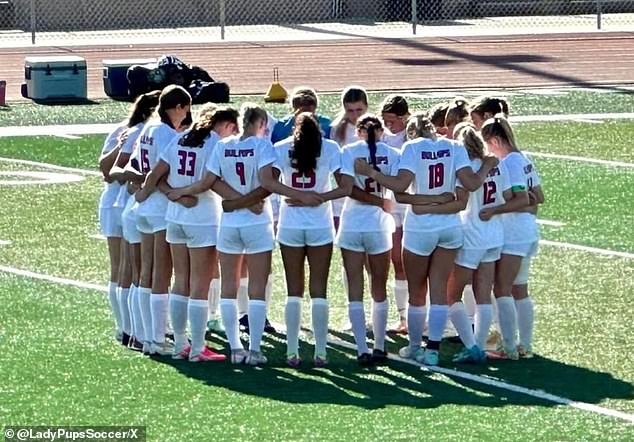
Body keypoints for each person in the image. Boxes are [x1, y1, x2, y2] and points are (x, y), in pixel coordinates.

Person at [355, 112, 498, 366]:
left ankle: (414, 345)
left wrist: (370, 172)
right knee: (439, 290)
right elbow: (471, 183)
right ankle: (432, 348)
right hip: (450, 227)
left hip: (420, 228)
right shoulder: (454, 147)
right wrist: (487, 164)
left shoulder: (412, 147)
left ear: (411, 133)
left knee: (417, 291)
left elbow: (400, 185)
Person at [169, 104, 276, 365]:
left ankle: (234, 348)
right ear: (260, 123)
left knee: (228, 288)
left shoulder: (223, 145)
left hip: (229, 223)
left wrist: (235, 201)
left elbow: (211, 182)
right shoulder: (262, 146)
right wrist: (248, 201)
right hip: (256, 223)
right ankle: (254, 349)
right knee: (256, 288)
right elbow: (266, 183)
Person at [138, 104, 240, 362]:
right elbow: (213, 181)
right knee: (199, 284)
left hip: (175, 217)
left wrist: (173, 193)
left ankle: (180, 343)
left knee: (180, 280)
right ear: (222, 125)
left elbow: (155, 175)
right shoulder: (215, 143)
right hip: (202, 218)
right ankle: (197, 347)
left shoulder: (182, 138)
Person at [260, 112, 351, 367]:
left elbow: (267, 181)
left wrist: (295, 195)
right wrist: (318, 196)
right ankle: (321, 352)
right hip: (320, 224)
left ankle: (292, 351)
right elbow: (346, 187)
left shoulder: (280, 147)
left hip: (290, 223)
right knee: (319, 289)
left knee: (293, 289)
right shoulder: (330, 148)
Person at [98, 91, 161, 346]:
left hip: (115, 201)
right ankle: (132, 329)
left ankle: (126, 329)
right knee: (132, 270)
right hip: (125, 200)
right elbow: (109, 169)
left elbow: (106, 168)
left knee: (123, 269)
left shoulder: (129, 129)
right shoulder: (142, 131)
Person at [445, 123, 511, 363]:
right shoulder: (497, 165)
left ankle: (472, 345)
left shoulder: (466, 168)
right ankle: (480, 345)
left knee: (451, 295)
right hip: (494, 233)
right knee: (483, 294)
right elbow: (506, 196)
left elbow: (461, 198)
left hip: (471, 234)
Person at [337, 115, 400, 365]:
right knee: (379, 286)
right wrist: (381, 201)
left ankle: (361, 347)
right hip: (378, 225)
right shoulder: (392, 153)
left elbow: (347, 188)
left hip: (352, 223)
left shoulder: (349, 151)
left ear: (359, 131)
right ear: (382, 131)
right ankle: (380, 345)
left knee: (355, 288)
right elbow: (398, 185)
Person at [479, 115, 544, 360]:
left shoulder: (509, 163)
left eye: (487, 143)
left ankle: (509, 346)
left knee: (503, 288)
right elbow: (538, 197)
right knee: (519, 289)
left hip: (514, 233)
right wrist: (525, 204)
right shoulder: (524, 159)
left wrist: (494, 209)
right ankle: (524, 345)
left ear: (495, 140)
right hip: (527, 230)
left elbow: (523, 198)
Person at [133, 85, 191, 355]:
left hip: (144, 208)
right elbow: (161, 173)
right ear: (178, 107)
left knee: (146, 272)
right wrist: (173, 193)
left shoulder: (148, 128)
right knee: (161, 275)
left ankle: (146, 336)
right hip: (160, 209)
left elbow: (137, 167)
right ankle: (157, 339)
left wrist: (144, 190)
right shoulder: (168, 134)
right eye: (186, 108)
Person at [379, 95, 410, 334]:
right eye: (385, 120)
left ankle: (420, 312)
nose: (388, 125)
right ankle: (403, 316)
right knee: (396, 260)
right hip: (391, 204)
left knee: (412, 261)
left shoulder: (412, 137)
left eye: (392, 120)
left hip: (410, 204)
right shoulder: (382, 138)